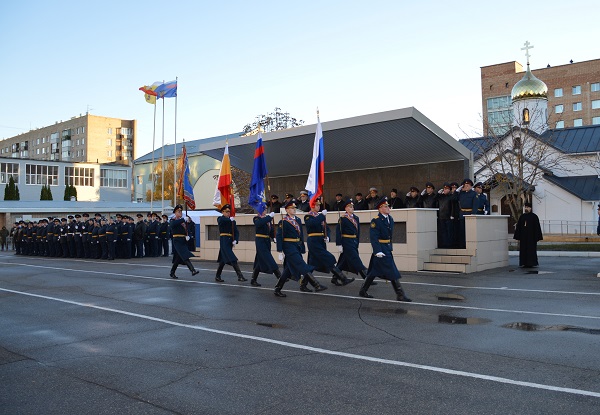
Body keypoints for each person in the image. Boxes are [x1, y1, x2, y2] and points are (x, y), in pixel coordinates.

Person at [359, 198, 412, 302]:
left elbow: (389, 236)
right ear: (380, 208)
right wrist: (377, 250)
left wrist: (389, 246)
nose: (388, 208)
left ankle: (363, 290)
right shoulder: (376, 220)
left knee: (373, 271)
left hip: (387, 248)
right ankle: (400, 294)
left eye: (388, 206)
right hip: (381, 249)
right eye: (386, 206)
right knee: (392, 270)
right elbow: (374, 237)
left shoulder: (390, 219)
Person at [274, 199, 327, 297]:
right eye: (291, 208)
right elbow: (279, 236)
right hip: (288, 247)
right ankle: (316, 284)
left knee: (288, 270)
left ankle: (277, 288)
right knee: (301, 264)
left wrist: (302, 247)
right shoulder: (283, 221)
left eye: (294, 208)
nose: (294, 210)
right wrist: (280, 251)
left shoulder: (297, 220)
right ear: (287, 210)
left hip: (296, 246)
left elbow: (301, 235)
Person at [304, 198, 354, 286]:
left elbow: (327, 228)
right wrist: (321, 216)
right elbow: (312, 224)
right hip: (313, 241)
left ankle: (303, 284)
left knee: (312, 264)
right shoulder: (308, 216)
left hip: (320, 241)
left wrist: (327, 236)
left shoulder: (320, 216)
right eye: (317, 205)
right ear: (312, 206)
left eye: (319, 205)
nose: (318, 207)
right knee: (328, 258)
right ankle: (343, 278)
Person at [335, 199, 372, 284]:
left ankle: (335, 277)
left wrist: (357, 242)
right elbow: (338, 231)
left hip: (353, 241)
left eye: (352, 207)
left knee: (343, 261)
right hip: (346, 241)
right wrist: (339, 244)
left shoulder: (356, 218)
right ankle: (366, 277)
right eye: (350, 207)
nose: (352, 208)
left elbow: (358, 231)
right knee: (356, 258)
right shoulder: (343, 218)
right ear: (346, 208)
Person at [215, 204, 247, 283]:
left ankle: (217, 276)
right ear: (222, 212)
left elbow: (236, 231)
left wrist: (236, 239)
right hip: (224, 240)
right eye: (226, 212)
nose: (228, 213)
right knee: (232, 258)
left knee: (223, 260)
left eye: (229, 211)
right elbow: (222, 221)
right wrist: (230, 220)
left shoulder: (232, 221)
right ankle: (240, 276)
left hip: (230, 241)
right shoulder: (220, 218)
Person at [250, 209, 282, 286]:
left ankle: (253, 279)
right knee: (268, 257)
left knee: (259, 259)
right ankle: (279, 276)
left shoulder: (267, 219)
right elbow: (259, 224)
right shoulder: (257, 218)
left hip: (266, 241)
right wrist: (269, 217)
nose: (264, 211)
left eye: (265, 209)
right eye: (263, 209)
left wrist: (274, 237)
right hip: (260, 240)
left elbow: (270, 230)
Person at [169, 204, 199, 279]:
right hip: (177, 240)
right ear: (175, 212)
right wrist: (183, 219)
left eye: (181, 211)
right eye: (178, 211)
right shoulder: (173, 220)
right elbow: (173, 225)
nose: (180, 212)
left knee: (177, 258)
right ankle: (192, 270)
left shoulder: (183, 221)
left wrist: (188, 235)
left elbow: (187, 229)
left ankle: (172, 272)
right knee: (185, 255)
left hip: (183, 240)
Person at [513, 202, 543, 268]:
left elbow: (537, 227)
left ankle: (531, 263)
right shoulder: (522, 216)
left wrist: (537, 237)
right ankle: (523, 262)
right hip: (523, 237)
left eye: (528, 207)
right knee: (523, 250)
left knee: (531, 250)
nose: (526, 208)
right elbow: (519, 227)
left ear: (531, 208)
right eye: (525, 207)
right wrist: (518, 236)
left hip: (531, 238)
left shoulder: (534, 217)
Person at [453, 178, 477, 249]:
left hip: (469, 214)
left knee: (469, 231)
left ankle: (470, 245)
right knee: (462, 230)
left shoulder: (474, 194)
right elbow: (453, 199)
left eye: (468, 185)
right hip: (462, 213)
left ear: (471, 186)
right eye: (465, 185)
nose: (466, 186)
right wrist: (457, 191)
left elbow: (475, 204)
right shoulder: (461, 193)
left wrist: (473, 213)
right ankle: (462, 244)